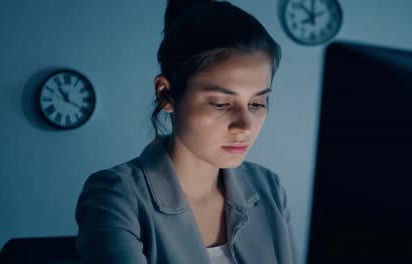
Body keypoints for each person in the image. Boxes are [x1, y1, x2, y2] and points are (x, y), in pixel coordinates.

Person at [75, 0, 298, 263]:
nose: (245, 125)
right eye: (221, 104)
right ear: (166, 94)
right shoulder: (116, 196)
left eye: (257, 103)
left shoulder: (269, 187)